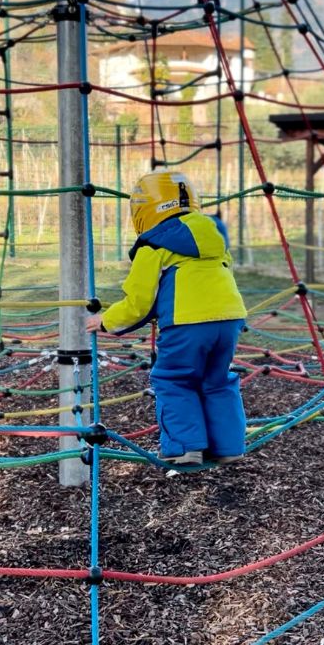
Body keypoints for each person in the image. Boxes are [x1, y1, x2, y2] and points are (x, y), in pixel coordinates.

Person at [86, 170, 247, 467]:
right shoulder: (216, 238)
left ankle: (184, 447)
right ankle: (229, 446)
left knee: (173, 379)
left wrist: (107, 320)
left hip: (187, 323)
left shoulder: (154, 244)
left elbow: (139, 302)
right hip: (230, 318)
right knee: (217, 380)